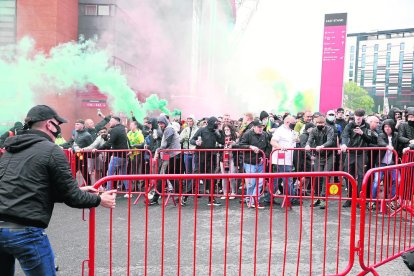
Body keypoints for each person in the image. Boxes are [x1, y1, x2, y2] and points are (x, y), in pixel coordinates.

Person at [0, 105, 116, 275]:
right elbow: (73, 198)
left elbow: (30, 189)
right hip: (25, 231)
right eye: (57, 124)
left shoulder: (11, 150)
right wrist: (100, 199)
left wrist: (80, 188)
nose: (59, 129)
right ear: (49, 124)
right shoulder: (52, 150)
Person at [340, 109, 373, 208]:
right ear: (354, 116)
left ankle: (359, 199)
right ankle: (350, 198)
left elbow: (370, 140)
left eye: (360, 116)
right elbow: (345, 135)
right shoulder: (349, 125)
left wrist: (362, 133)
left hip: (362, 153)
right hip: (351, 153)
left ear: (363, 116)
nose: (358, 118)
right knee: (347, 174)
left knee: (361, 175)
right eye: (356, 116)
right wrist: (344, 144)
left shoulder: (367, 126)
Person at [237, 119, 272, 209]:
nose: (260, 129)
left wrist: (265, 157)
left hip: (260, 161)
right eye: (259, 127)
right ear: (254, 127)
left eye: (262, 127)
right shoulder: (247, 134)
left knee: (260, 182)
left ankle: (254, 200)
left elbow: (268, 147)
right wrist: (250, 147)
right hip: (249, 162)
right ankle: (250, 199)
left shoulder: (265, 135)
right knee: (252, 183)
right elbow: (240, 145)